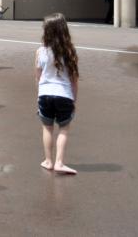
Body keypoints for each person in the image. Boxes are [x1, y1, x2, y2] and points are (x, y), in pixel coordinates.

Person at [36, 13, 80, 175]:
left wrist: (39, 95)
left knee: (47, 129)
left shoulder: (40, 51)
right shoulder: (70, 51)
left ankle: (48, 160)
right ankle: (59, 163)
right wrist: (73, 100)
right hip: (64, 95)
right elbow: (74, 79)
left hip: (45, 94)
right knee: (63, 129)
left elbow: (38, 76)